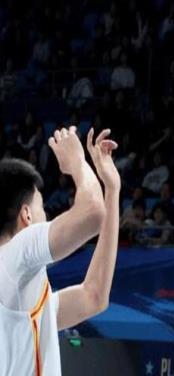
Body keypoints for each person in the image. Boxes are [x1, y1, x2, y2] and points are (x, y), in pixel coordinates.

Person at [0, 126, 120, 375]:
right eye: (42, 207)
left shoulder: (21, 290)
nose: (47, 216)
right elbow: (92, 213)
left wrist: (111, 190)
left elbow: (94, 296)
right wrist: (77, 162)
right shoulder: (14, 254)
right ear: (27, 215)